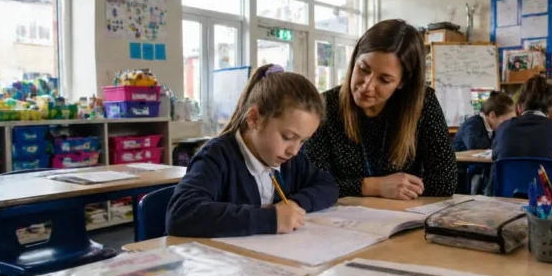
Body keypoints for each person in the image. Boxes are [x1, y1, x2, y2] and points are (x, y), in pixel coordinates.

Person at [165, 64, 338, 238]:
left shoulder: (291, 161)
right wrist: (270, 218)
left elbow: (328, 185)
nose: (294, 150)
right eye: (287, 137)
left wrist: (294, 204)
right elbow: (181, 213)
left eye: (303, 141)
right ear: (254, 119)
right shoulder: (217, 157)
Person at [304, 19, 457, 200]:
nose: (367, 86)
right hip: (340, 220)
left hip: (402, 218)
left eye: (384, 80)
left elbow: (445, 180)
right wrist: (373, 186)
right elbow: (311, 182)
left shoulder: (423, 104)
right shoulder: (325, 106)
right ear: (354, 61)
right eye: (363, 69)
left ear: (402, 82)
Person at [492, 75, 552, 160]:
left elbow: (495, 158)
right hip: (546, 173)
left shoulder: (503, 128)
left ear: (519, 109)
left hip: (510, 173)